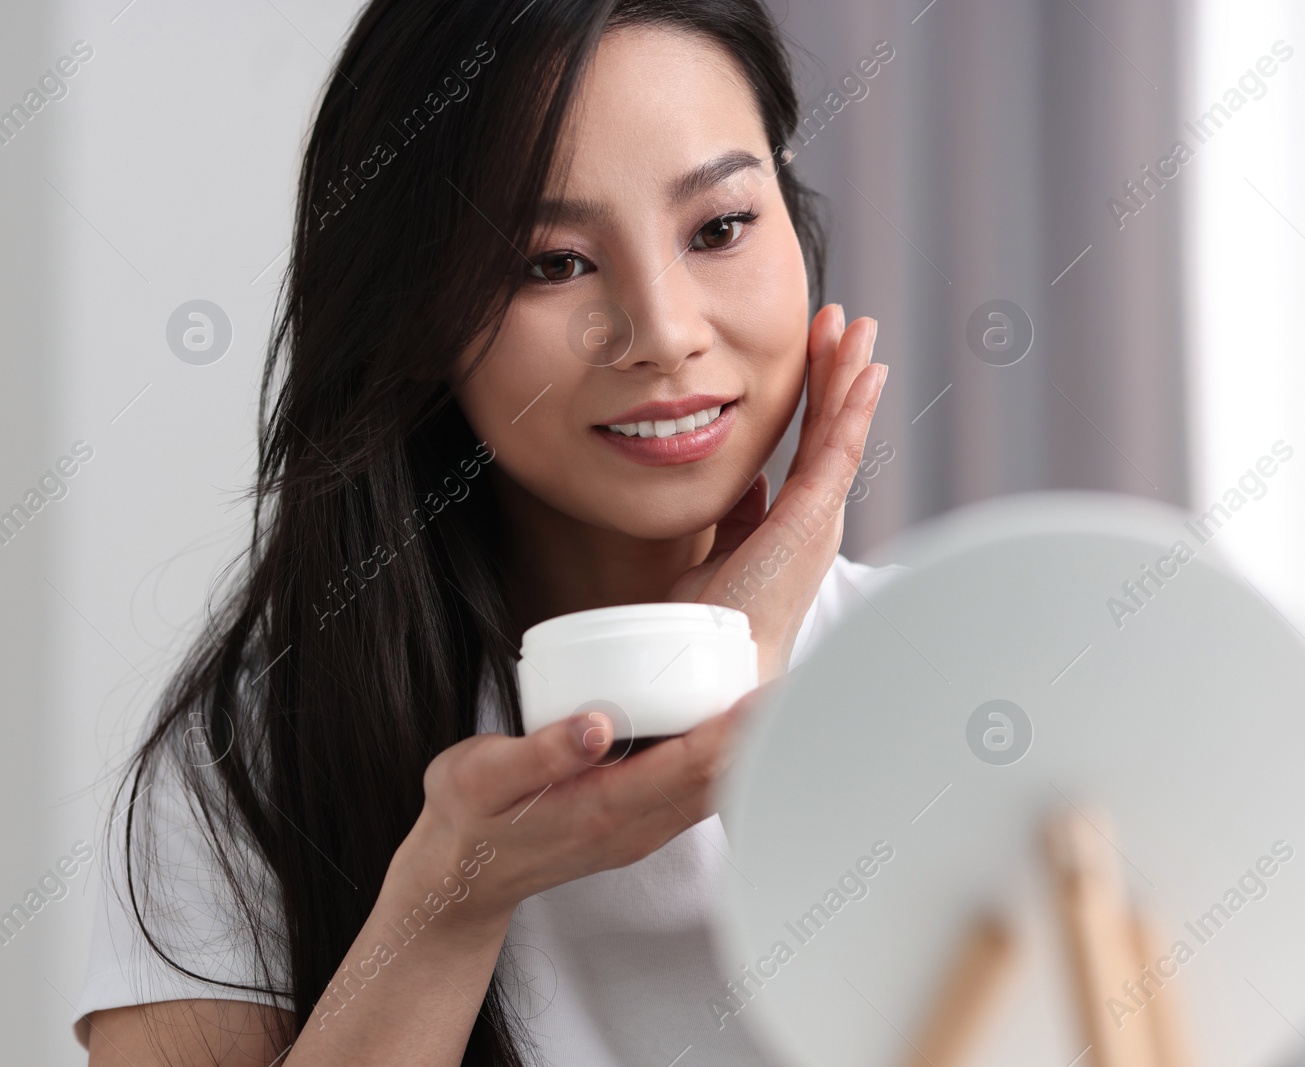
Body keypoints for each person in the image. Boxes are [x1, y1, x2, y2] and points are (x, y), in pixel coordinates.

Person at [75, 1, 891, 1063]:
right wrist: (451, 895)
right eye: (551, 262)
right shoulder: (259, 757)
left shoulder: (972, 678)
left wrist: (725, 693)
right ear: (414, 317)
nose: (663, 331)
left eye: (720, 227)